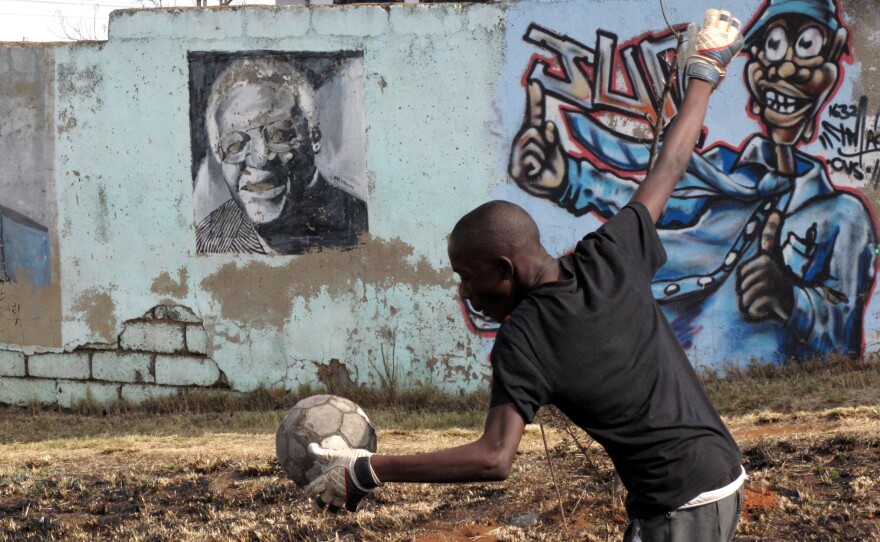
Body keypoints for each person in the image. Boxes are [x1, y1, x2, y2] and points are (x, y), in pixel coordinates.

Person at [305, 10, 746, 542]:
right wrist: (705, 72)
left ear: (503, 270)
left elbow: (494, 458)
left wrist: (369, 470)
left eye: (466, 277)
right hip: (714, 475)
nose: (463, 291)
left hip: (682, 504)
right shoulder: (610, 254)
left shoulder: (525, 338)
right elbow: (671, 165)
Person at [508, 0, 877, 367]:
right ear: (754, 66)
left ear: (831, 62)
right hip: (655, 369)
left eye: (808, 47)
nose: (787, 67)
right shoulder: (723, 171)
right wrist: (568, 178)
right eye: (773, 46)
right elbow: (648, 202)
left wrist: (789, 298)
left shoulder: (842, 215)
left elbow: (843, 340)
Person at [195, 57, 368, 255]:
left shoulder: (362, 229)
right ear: (220, 156)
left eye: (279, 134)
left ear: (314, 139)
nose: (259, 158)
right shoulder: (208, 241)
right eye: (235, 145)